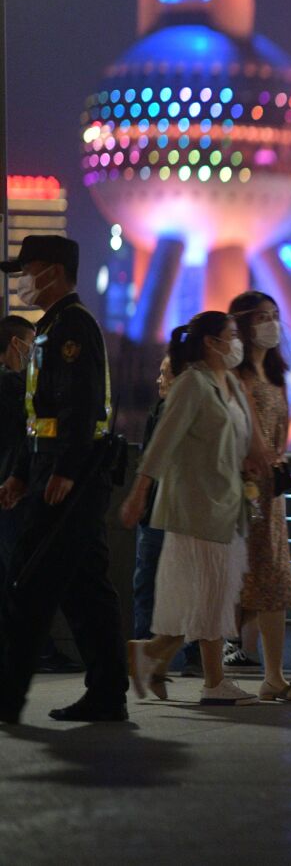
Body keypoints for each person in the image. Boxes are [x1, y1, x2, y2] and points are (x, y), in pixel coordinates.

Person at [0, 235, 129, 724]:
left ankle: (7, 697)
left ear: (53, 271)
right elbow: (41, 416)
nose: (23, 282)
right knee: (84, 588)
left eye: (27, 271)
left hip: (70, 477)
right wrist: (19, 475)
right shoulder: (52, 328)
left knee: (28, 584)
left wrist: (67, 471)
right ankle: (108, 693)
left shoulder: (73, 328)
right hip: (50, 471)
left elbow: (83, 405)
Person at [120, 312, 260, 706]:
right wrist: (138, 492)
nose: (238, 343)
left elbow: (242, 438)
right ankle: (209, 680)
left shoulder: (228, 382)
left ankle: (156, 656)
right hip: (196, 505)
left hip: (226, 504)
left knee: (207, 595)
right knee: (211, 593)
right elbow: (162, 442)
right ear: (211, 342)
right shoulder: (192, 384)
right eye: (231, 336)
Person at [229, 291, 291, 702]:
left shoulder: (276, 377)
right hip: (244, 489)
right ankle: (160, 652)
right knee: (240, 579)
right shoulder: (236, 376)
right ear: (242, 324)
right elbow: (250, 438)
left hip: (271, 491)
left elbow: (280, 439)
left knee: (272, 579)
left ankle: (274, 675)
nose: (271, 324)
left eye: (275, 316)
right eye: (262, 316)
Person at [129, 356, 201, 694]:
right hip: (161, 514)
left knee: (171, 587)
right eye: (158, 372)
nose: (159, 379)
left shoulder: (179, 412)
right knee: (153, 587)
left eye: (165, 373)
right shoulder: (161, 410)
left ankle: (158, 655)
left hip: (171, 514)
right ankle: (153, 654)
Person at [0, 315, 35, 578]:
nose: (34, 354)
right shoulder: (11, 385)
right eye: (32, 345)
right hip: (9, 492)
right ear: (16, 344)